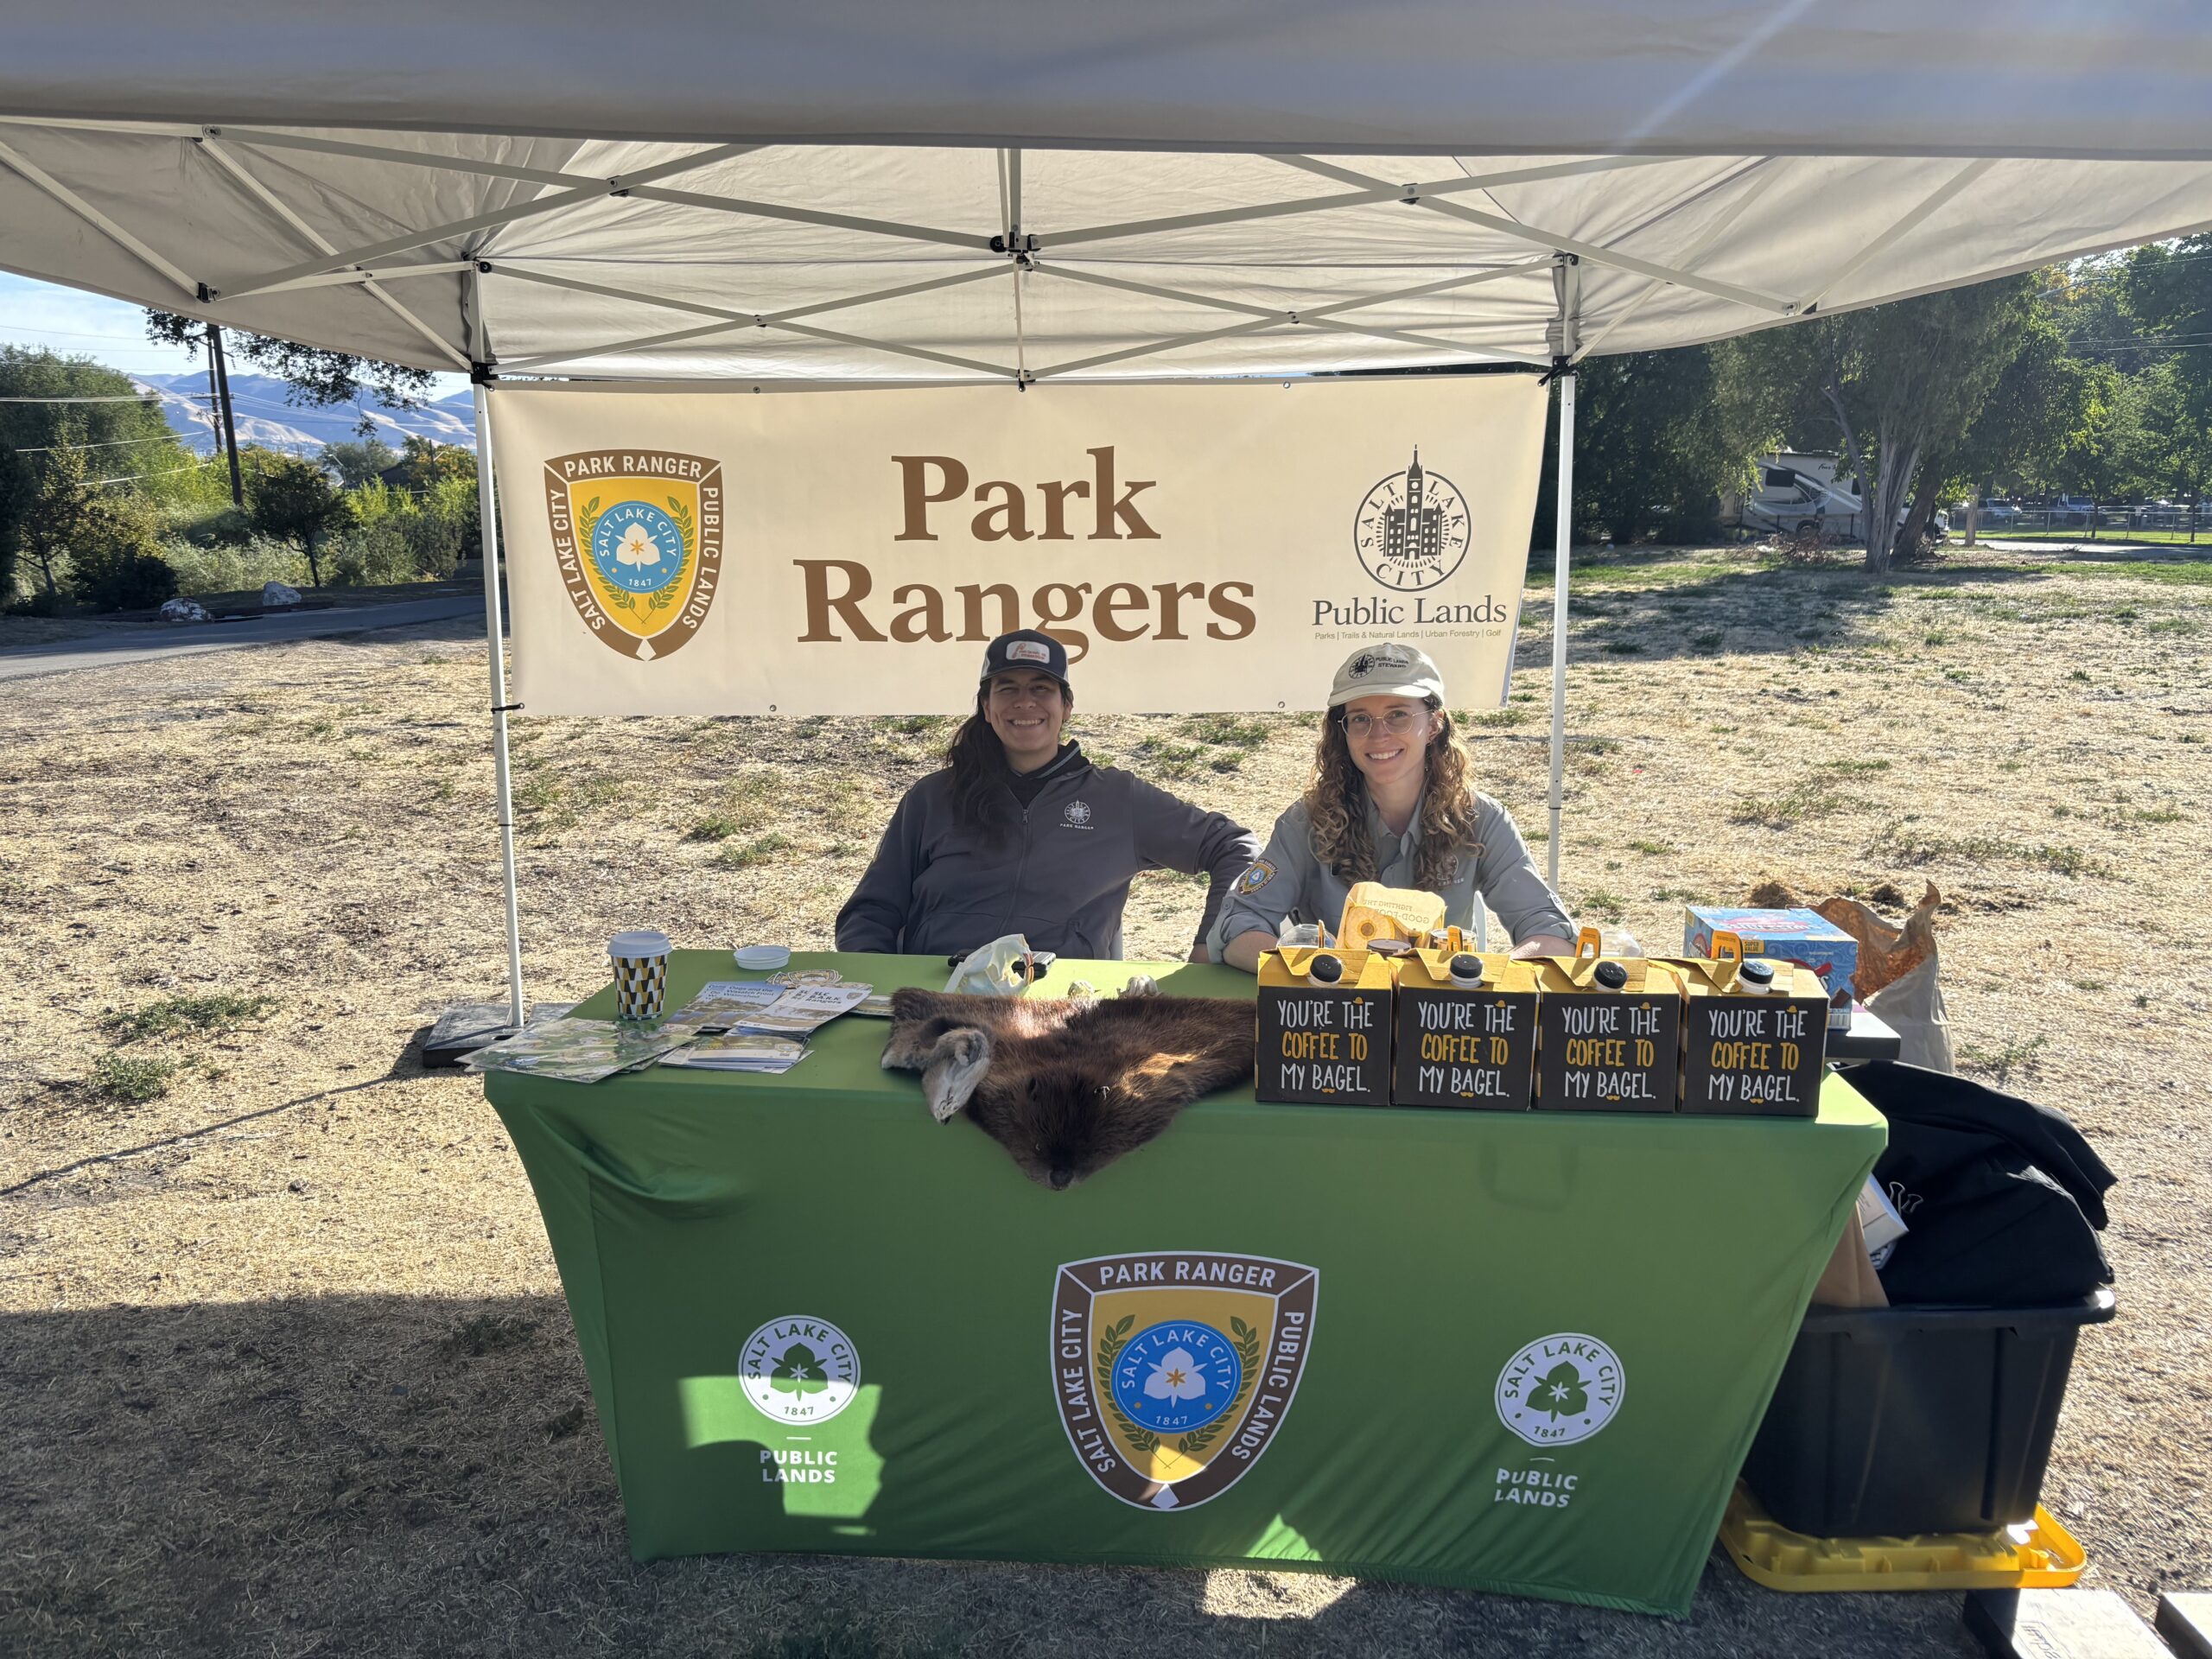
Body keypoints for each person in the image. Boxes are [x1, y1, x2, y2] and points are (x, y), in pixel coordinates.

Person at [836, 630, 1261, 962]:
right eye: (1007, 688)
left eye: (1041, 688)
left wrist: (1212, 943)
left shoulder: (1119, 799)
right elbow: (872, 910)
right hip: (936, 995)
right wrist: (879, 980)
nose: (1025, 702)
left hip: (1061, 1009)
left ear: (1066, 706)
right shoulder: (933, 797)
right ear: (986, 707)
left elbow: (1233, 846)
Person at [1211, 641, 1575, 969]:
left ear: (1434, 724)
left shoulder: (1481, 818)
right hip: (1337, 1011)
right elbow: (1238, 926)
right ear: (1344, 731)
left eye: (1398, 714)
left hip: (1442, 1015)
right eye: (1360, 719)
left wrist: (1485, 977)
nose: (1378, 735)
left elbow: (1548, 930)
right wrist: (1318, 974)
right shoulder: (1307, 821)